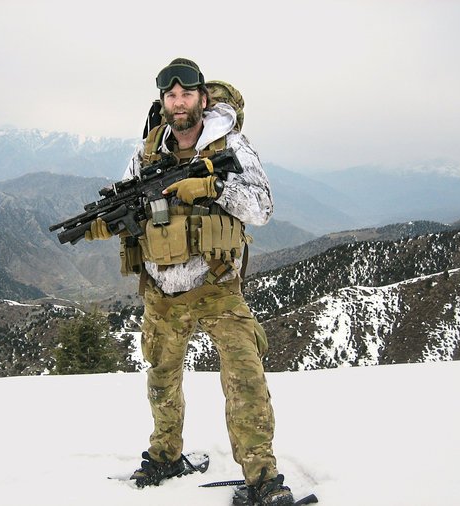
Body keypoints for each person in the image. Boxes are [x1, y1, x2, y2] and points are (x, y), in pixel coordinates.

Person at [86, 58, 296, 505]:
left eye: (186, 94)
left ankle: (262, 479)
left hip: (218, 287)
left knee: (245, 378)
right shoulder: (145, 154)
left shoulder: (232, 145)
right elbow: (128, 203)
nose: (178, 103)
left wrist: (214, 189)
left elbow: (262, 208)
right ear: (162, 103)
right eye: (170, 96)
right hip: (161, 292)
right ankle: (165, 457)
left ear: (202, 98)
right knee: (161, 379)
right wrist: (108, 224)